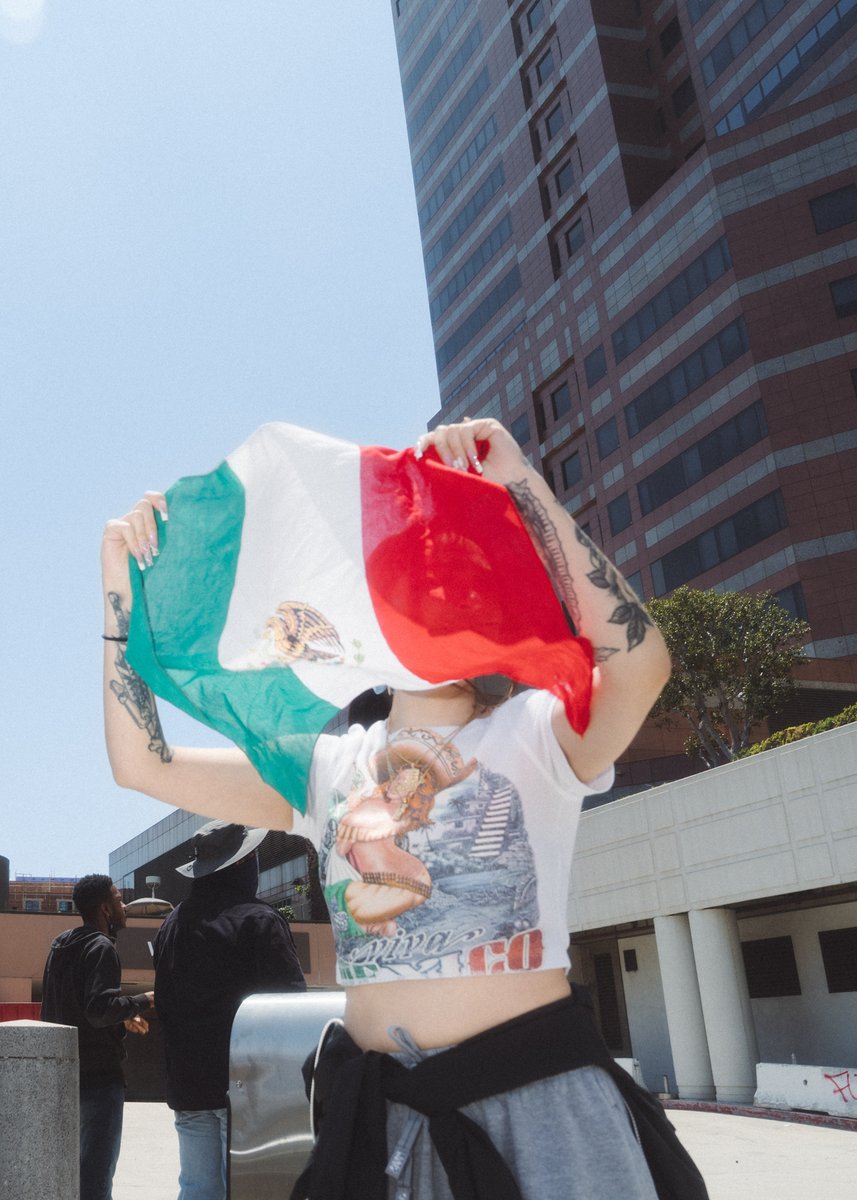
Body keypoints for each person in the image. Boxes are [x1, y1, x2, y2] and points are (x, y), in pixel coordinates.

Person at [101, 418, 706, 1200]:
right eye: (410, 583)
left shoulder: (533, 734)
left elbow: (638, 665)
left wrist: (520, 483)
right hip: (380, 1127)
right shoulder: (328, 766)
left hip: (539, 1111)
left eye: (457, 581)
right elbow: (142, 764)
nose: (433, 599)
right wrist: (120, 590)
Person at [152, 818, 307, 1200]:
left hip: (188, 1084)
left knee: (196, 1189)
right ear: (242, 863)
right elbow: (290, 1005)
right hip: (246, 1084)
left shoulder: (172, 924)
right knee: (246, 1190)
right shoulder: (259, 920)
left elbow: (165, 1003)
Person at [41, 873, 155, 1200]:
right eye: (119, 900)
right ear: (105, 909)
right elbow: (99, 1009)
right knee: (95, 1176)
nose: (124, 906)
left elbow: (70, 1010)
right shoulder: (101, 947)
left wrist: (124, 1018)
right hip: (99, 1080)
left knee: (66, 1175)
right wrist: (143, 1001)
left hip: (62, 1077)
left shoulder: (61, 946)